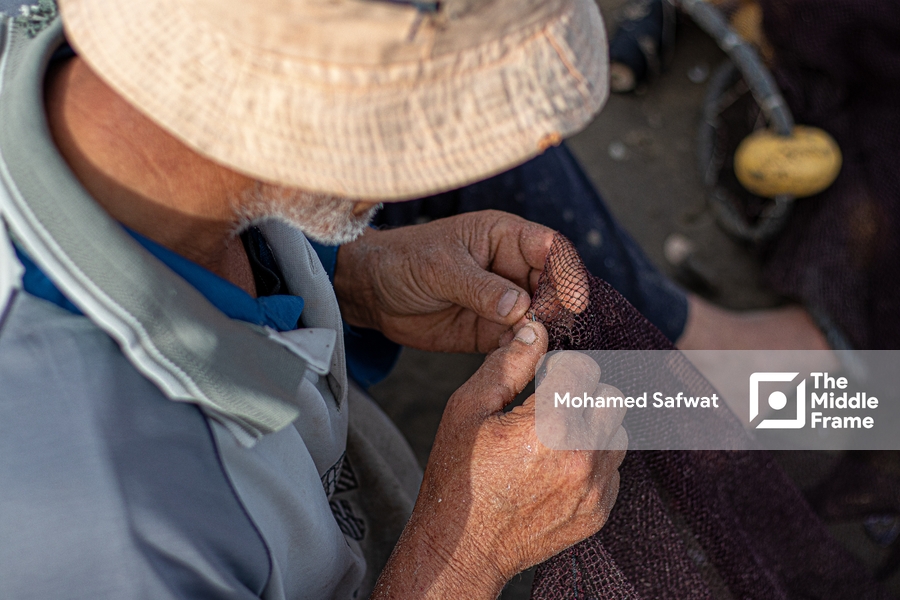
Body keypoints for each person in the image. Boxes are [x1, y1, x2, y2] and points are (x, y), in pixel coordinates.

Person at [0, 0, 631, 598]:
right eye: (425, 131)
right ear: (279, 115)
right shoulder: (116, 528)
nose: (448, 171)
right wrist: (464, 551)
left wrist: (352, 276)